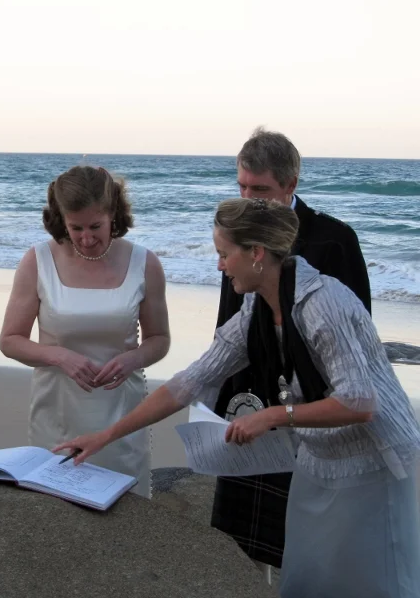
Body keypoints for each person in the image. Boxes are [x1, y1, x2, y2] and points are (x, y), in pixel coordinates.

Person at [55, 198, 420, 597]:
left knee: (372, 584)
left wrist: (273, 416)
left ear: (257, 254)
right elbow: (189, 382)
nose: (219, 265)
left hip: (372, 461)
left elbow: (360, 403)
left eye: (224, 253)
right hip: (319, 457)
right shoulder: (256, 308)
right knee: (307, 580)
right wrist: (105, 436)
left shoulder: (322, 303)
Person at [212, 127, 372, 575]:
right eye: (242, 186)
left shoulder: (335, 239)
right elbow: (229, 323)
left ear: (291, 184)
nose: (249, 198)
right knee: (242, 547)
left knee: (310, 541)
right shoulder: (235, 232)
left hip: (317, 414)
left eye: (260, 189)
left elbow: (358, 338)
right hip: (250, 402)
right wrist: (225, 399)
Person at [0, 165, 171, 497]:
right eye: (75, 228)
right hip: (56, 412)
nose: (87, 238)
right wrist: (59, 356)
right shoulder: (37, 261)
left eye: (96, 226)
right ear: (60, 218)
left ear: (113, 214)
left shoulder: (144, 263)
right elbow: (10, 340)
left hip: (122, 414)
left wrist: (133, 359)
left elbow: (159, 340)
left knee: (125, 514)